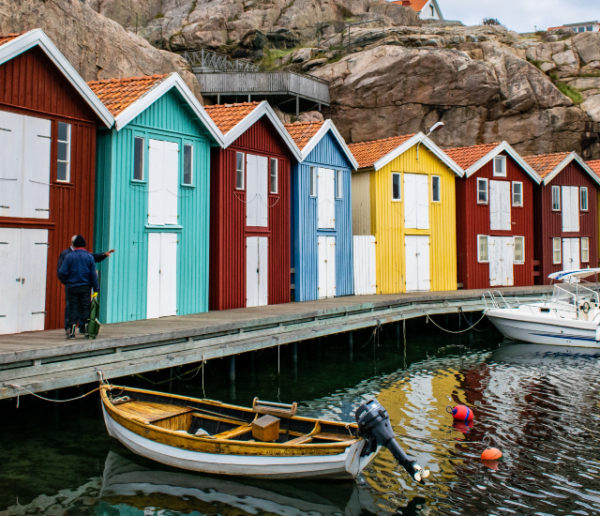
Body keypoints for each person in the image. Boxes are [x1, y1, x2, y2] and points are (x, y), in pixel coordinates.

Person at [57, 236, 114, 333]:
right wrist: (96, 288)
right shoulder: (88, 256)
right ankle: (84, 327)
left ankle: (71, 329)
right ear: (84, 245)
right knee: (85, 307)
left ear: (74, 244)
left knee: (72, 307)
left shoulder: (69, 256)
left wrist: (67, 282)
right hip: (85, 287)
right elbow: (93, 274)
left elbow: (62, 272)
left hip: (72, 287)